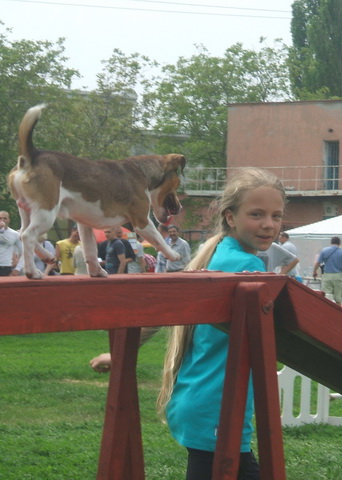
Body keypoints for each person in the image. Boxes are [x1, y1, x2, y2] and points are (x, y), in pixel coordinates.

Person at [92, 168, 286, 478]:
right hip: (218, 405)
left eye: (276, 216)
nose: (268, 224)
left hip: (200, 399)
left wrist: (122, 352)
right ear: (231, 217)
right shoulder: (245, 265)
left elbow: (170, 309)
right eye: (257, 214)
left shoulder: (217, 254)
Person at [313, 236, 342, 304]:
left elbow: (318, 262)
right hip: (338, 276)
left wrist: (314, 271)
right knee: (338, 297)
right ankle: (338, 309)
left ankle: (326, 309)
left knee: (326, 296)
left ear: (331, 242)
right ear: (339, 243)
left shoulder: (324, 251)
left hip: (327, 275)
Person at [0, 211, 23, 276]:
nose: (2, 220)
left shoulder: (15, 234)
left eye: (5, 218)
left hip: (5, 267)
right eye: (0, 218)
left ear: (8, 220)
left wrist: (18, 269)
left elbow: (24, 253)